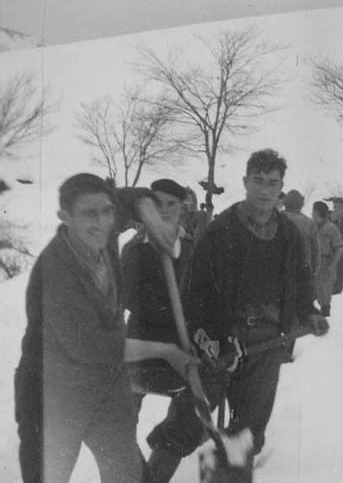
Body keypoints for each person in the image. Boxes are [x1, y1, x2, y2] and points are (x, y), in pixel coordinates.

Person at [149, 149, 329, 480]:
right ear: (245, 182)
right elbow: (196, 292)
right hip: (221, 345)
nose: (264, 190)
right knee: (186, 425)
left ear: (281, 188)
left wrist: (310, 311)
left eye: (272, 183)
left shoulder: (289, 234)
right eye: (257, 181)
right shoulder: (220, 231)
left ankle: (223, 475)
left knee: (246, 434)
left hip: (267, 345)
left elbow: (302, 282)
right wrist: (209, 341)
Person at [15, 173, 189, 483]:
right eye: (89, 214)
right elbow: (95, 346)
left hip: (103, 385)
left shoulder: (101, 231)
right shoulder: (55, 272)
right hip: (50, 392)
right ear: (64, 218)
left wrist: (154, 221)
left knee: (130, 476)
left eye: (106, 210)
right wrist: (165, 351)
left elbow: (134, 196)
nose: (102, 221)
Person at [120, 178, 198, 482]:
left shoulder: (193, 248)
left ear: (183, 208)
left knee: (193, 413)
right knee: (118, 419)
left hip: (182, 345)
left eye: (172, 204)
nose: (164, 211)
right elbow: (129, 300)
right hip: (138, 344)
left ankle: (159, 472)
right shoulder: (133, 250)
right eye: (157, 204)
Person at [313, 201, 343, 317]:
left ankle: (325, 315)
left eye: (314, 212)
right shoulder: (312, 226)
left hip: (326, 262)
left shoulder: (331, 228)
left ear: (317, 212)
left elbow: (340, 247)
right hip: (312, 262)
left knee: (325, 291)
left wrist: (333, 265)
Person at [282, 189, 319, 276]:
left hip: (278, 271)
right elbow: (315, 251)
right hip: (302, 271)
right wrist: (314, 270)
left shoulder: (274, 219)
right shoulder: (309, 223)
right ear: (301, 204)